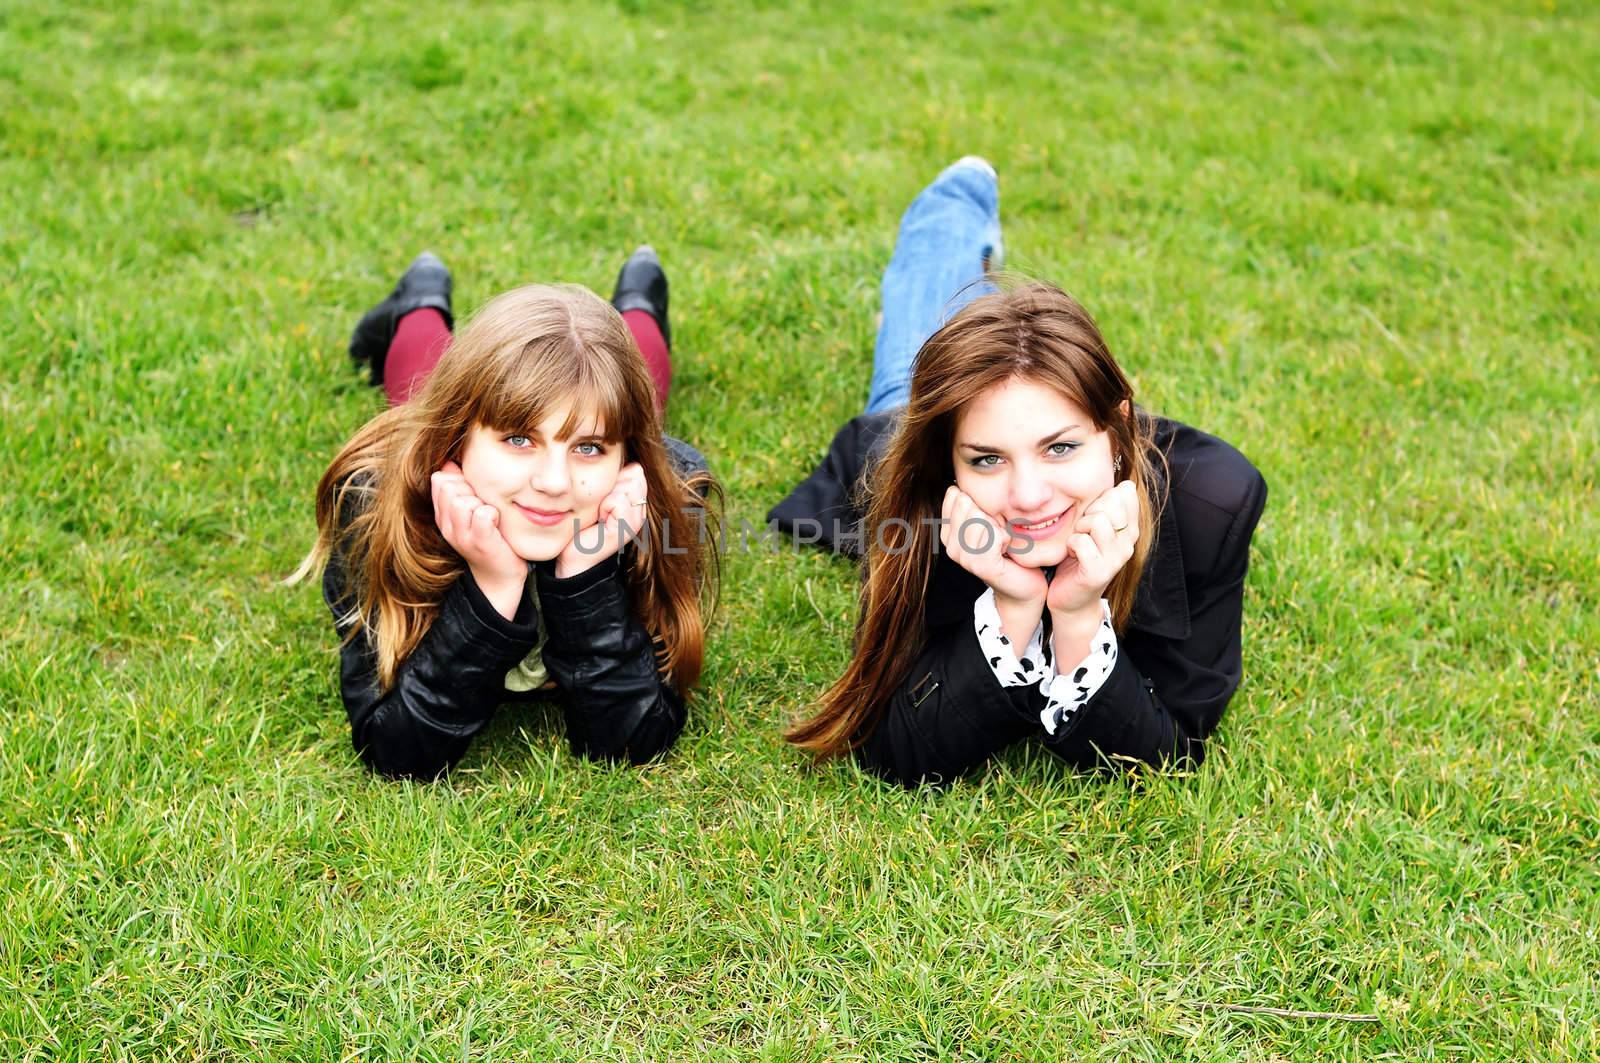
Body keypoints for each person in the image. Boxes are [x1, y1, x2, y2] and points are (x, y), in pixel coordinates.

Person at [772, 158, 1268, 786]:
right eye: (986, 459)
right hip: (903, 425)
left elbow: (1168, 752)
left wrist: (1080, 612)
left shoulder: (1215, 500)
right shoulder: (918, 493)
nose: (1029, 496)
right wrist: (1014, 601)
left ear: (1116, 431)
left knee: (970, 371)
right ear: (948, 466)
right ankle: (958, 196)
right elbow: (894, 750)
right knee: (905, 370)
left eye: (1060, 448)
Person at [294, 247, 717, 779]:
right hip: (433, 427)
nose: (554, 483)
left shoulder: (663, 498)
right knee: (418, 389)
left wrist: (585, 573)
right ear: (456, 439)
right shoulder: (373, 499)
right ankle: (422, 295)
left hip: (609, 426)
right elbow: (396, 753)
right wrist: (493, 587)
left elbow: (633, 741)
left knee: (611, 388)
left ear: (625, 458)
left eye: (590, 448)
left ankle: (639, 299)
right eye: (518, 439)